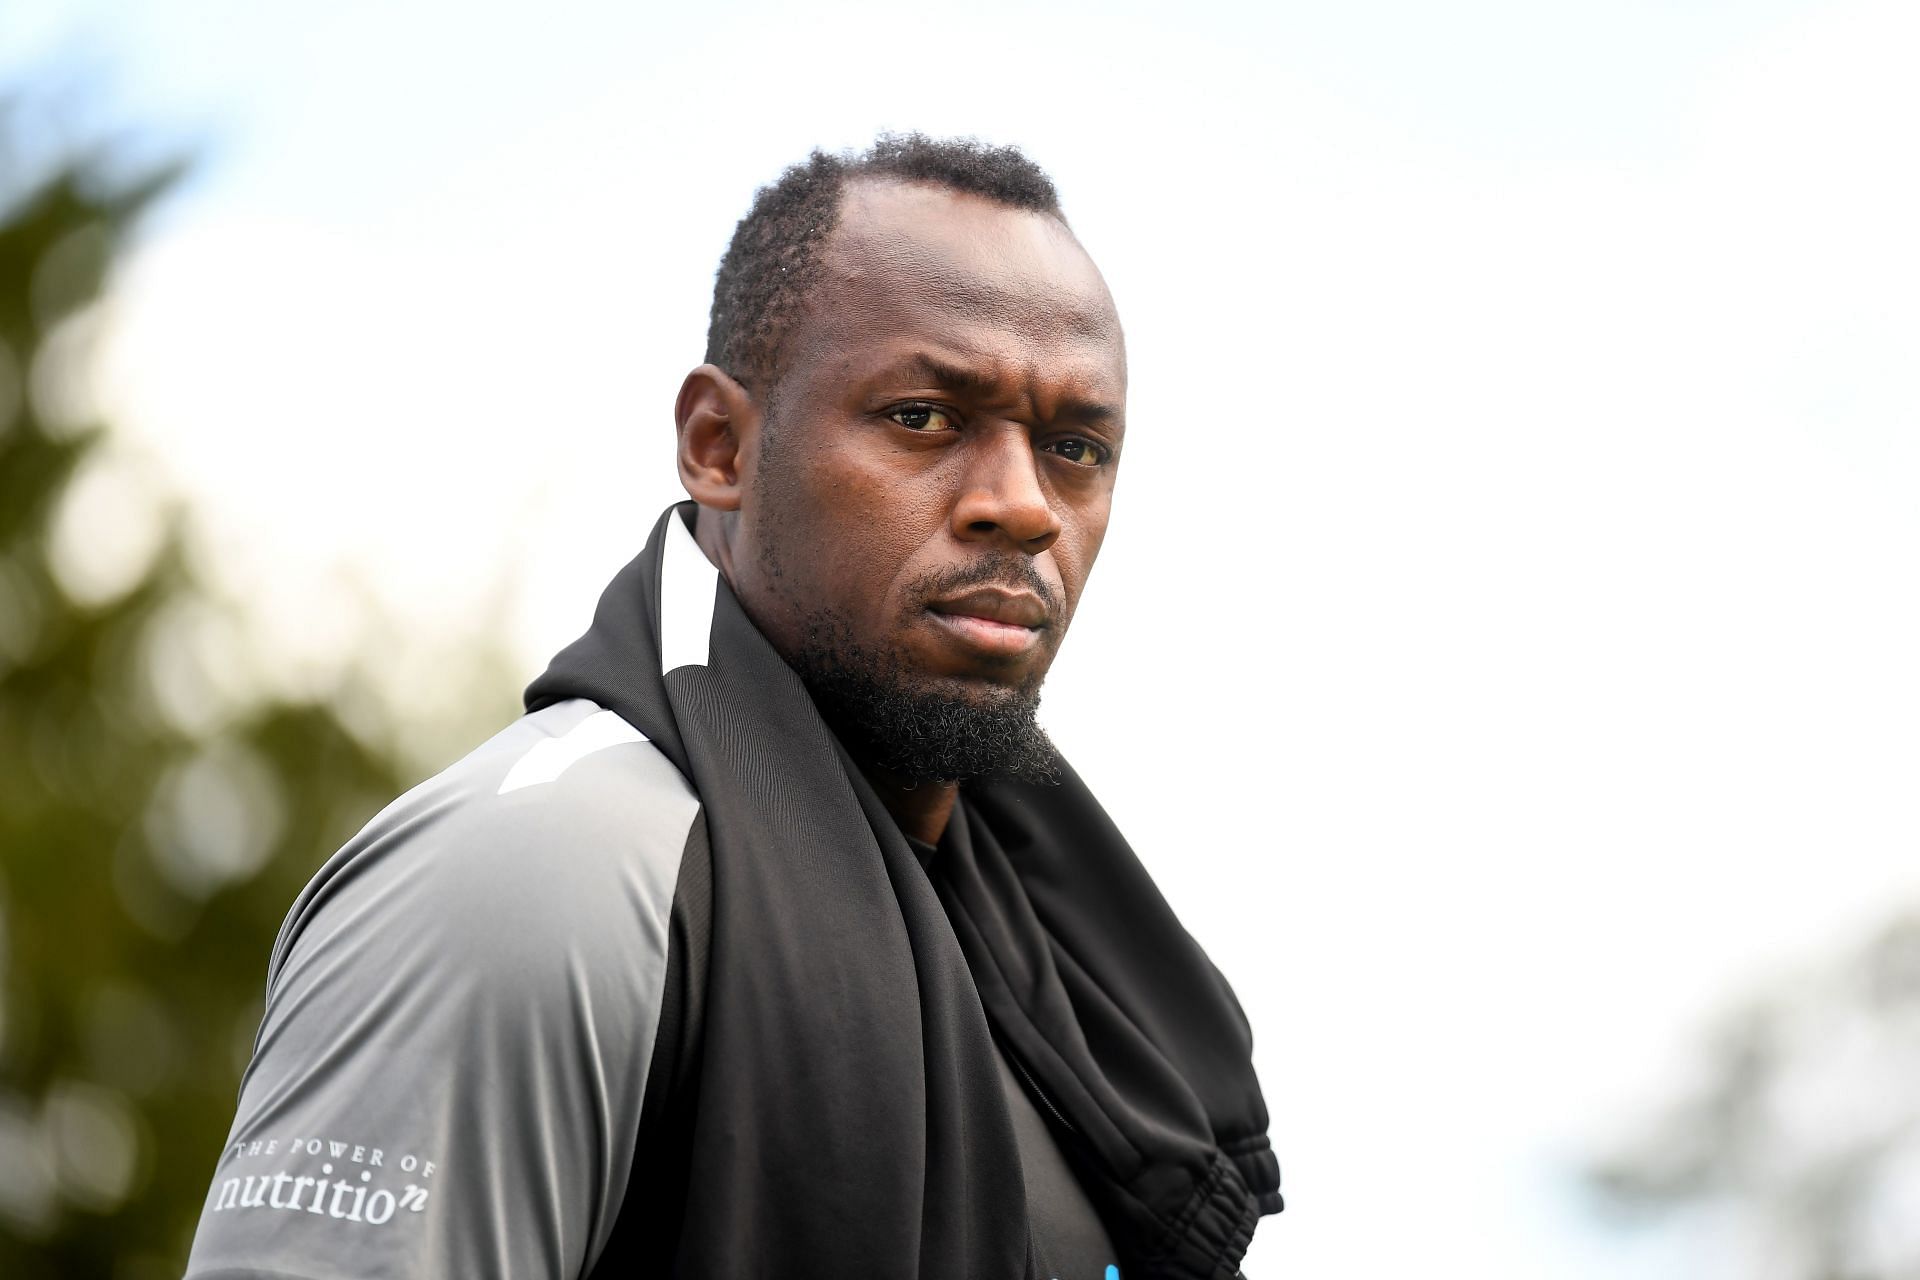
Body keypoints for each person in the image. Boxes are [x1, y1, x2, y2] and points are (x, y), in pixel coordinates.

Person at [184, 134, 1282, 1280]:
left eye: (1074, 447)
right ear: (720, 446)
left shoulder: (1072, 976)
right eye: (924, 417)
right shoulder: (549, 869)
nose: (1022, 506)